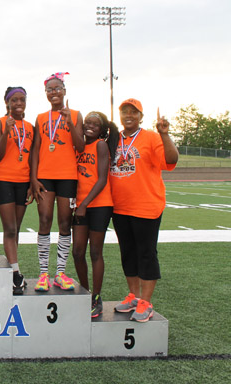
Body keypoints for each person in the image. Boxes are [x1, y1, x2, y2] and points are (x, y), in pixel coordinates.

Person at [109, 98, 178, 322]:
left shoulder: (151, 137)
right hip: (120, 206)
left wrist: (165, 134)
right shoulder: (114, 138)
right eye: (124, 112)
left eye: (133, 112)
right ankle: (134, 296)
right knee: (128, 253)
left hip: (147, 206)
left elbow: (171, 159)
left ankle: (146, 302)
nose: (128, 115)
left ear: (141, 116)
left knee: (146, 254)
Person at [30, 72, 85, 291]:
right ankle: (43, 273)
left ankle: (60, 272)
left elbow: (80, 146)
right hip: (45, 175)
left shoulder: (76, 114)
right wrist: (33, 178)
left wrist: (70, 122)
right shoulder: (41, 118)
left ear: (64, 90)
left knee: (64, 223)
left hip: (68, 176)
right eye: (49, 89)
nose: (54, 92)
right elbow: (35, 150)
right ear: (46, 93)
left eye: (57, 88)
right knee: (44, 219)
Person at [72, 111, 118, 317]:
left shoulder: (100, 145)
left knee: (95, 252)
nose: (90, 126)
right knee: (77, 252)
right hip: (80, 204)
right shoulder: (78, 147)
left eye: (95, 124)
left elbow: (101, 180)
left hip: (99, 205)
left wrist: (84, 204)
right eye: (87, 123)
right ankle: (85, 291)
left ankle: (96, 297)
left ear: (102, 130)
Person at [0, 86, 34, 295]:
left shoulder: (30, 127)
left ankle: (12, 267)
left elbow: (33, 158)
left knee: (16, 229)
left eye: (22, 100)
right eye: (14, 100)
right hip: (4, 181)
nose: (18, 103)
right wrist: (7, 131)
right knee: (9, 228)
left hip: (23, 182)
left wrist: (32, 185)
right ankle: (16, 273)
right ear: (7, 102)